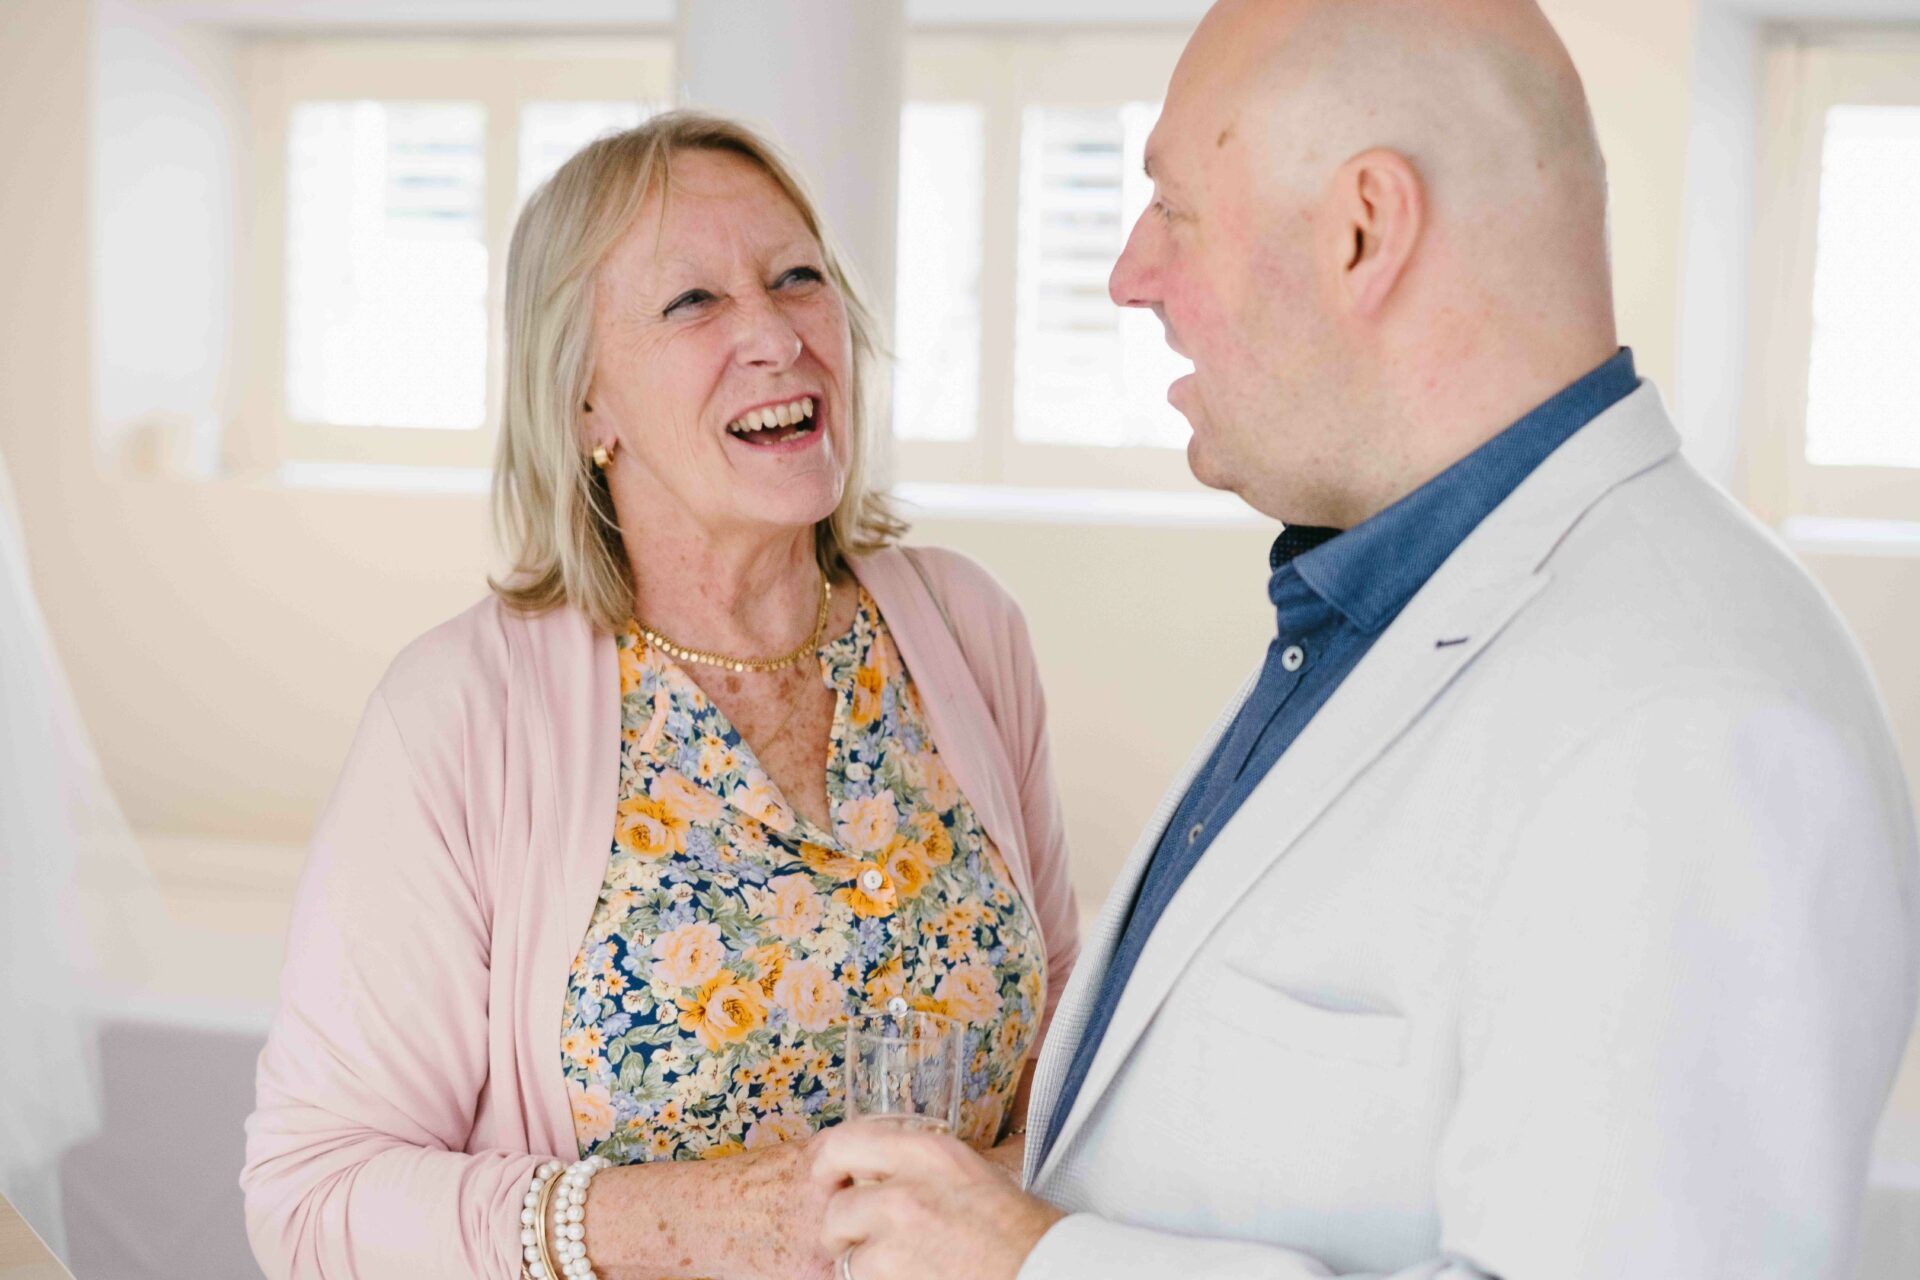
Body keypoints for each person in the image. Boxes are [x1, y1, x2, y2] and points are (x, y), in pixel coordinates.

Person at [809, 2, 1920, 1277]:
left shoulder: (1698, 720)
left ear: (1362, 232)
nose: (1127, 272)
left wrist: (1032, 1263)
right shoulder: (1376, 600)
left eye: (1172, 207)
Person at [240, 111, 1079, 1280]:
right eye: (695, 303)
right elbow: (312, 1198)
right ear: (587, 401)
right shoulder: (459, 714)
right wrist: (717, 1220)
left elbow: (1072, 1056)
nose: (779, 335)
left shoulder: (965, 626)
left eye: (800, 278)